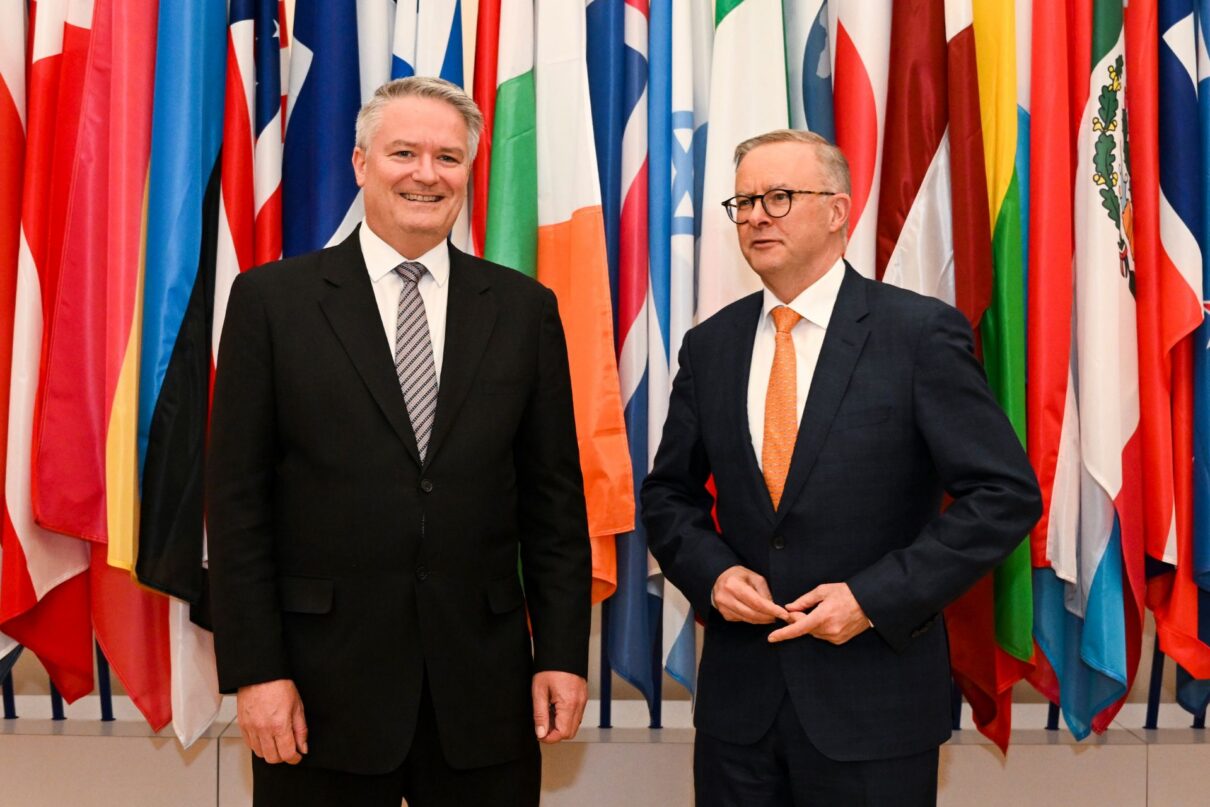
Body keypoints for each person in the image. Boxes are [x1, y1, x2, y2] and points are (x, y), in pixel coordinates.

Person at [206, 76, 591, 807]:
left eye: (448, 157)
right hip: (316, 695)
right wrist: (256, 671)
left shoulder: (523, 310)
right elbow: (236, 506)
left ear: (469, 173)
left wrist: (564, 656)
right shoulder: (271, 303)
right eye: (404, 152)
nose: (426, 173)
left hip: (484, 693)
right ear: (359, 162)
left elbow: (554, 505)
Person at [642, 130, 1042, 806]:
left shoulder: (918, 334)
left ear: (838, 211)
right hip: (738, 715)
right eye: (743, 201)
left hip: (874, 709)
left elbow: (1003, 494)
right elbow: (668, 495)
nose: (756, 216)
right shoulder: (711, 345)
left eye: (778, 197)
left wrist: (872, 597)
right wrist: (711, 573)